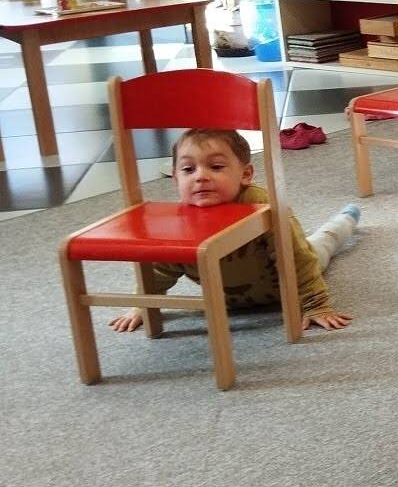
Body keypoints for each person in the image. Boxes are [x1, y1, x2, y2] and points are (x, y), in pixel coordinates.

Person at [108, 129, 358, 335]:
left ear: (245, 174)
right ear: (175, 179)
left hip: (286, 283)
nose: (200, 177)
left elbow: (297, 256)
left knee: (323, 242)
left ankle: (346, 219)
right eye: (188, 170)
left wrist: (315, 305)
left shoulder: (263, 205)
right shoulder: (179, 222)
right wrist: (144, 303)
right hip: (227, 300)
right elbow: (161, 268)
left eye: (216, 167)